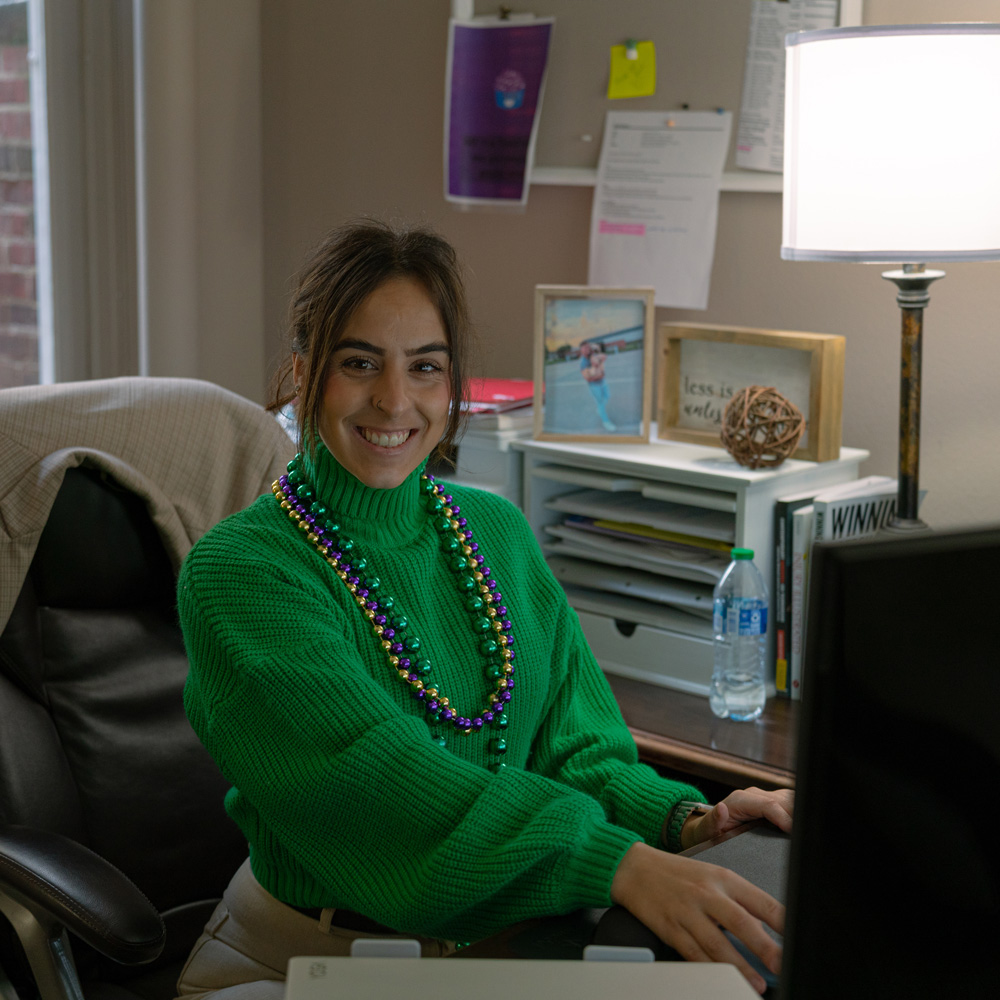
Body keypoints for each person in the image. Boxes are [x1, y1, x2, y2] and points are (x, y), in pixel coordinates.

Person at [175, 219, 792, 1000]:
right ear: (302, 376)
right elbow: (382, 789)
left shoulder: (493, 531)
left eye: (424, 367)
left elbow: (577, 750)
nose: (394, 400)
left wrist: (690, 822)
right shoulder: (240, 572)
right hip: (305, 962)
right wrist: (617, 864)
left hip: (510, 943)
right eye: (358, 363)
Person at [579, 341, 615, 431]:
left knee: (607, 396)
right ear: (581, 351)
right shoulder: (583, 363)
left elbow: (604, 357)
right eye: (584, 349)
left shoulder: (594, 355)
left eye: (588, 347)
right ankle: (606, 422)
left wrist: (598, 354)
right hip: (594, 386)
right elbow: (588, 378)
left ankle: (600, 410)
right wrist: (596, 369)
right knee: (600, 403)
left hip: (603, 382)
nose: (587, 350)